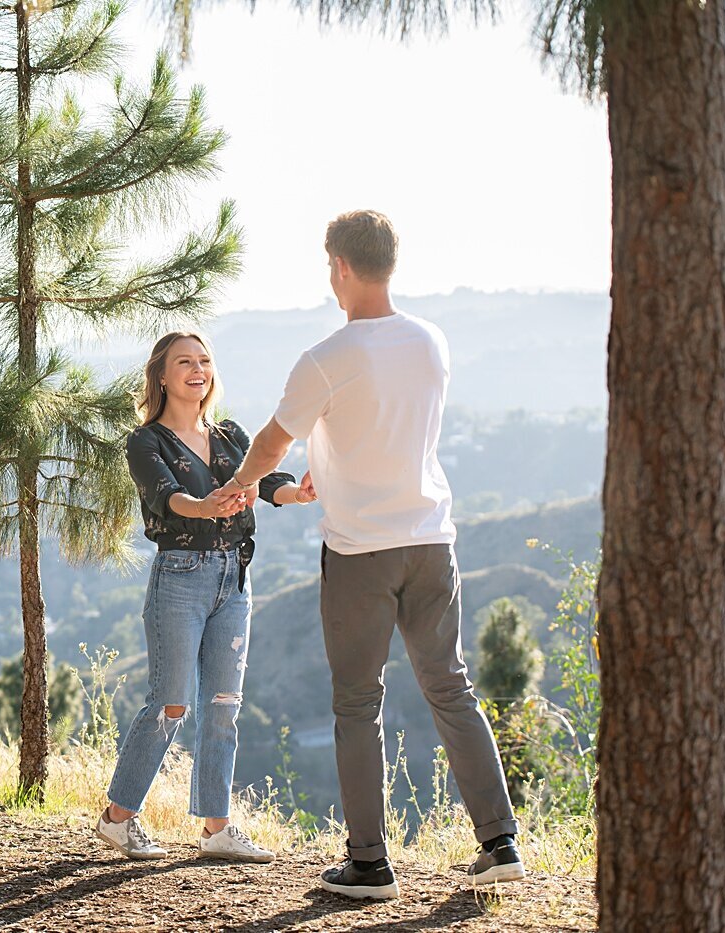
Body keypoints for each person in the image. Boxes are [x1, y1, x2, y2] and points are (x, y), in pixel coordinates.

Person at [220, 210, 525, 898]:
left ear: (342, 268)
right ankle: (499, 840)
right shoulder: (432, 341)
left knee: (358, 702)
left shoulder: (328, 356)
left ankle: (368, 862)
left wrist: (239, 487)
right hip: (431, 541)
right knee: (450, 687)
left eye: (331, 267)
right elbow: (387, 426)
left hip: (362, 552)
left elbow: (271, 444)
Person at [95, 330, 316, 863]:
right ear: (162, 375)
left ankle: (217, 830)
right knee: (172, 704)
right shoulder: (145, 441)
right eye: (184, 362)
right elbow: (167, 499)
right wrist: (207, 506)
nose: (198, 369)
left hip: (233, 580)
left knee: (222, 706)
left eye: (205, 361)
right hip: (180, 576)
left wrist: (298, 493)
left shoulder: (230, 433)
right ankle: (118, 819)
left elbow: (267, 481)